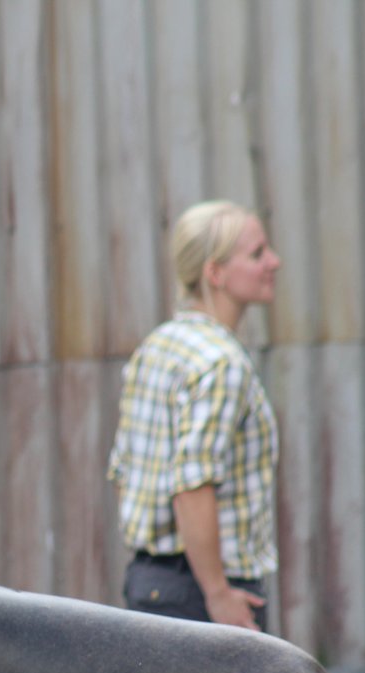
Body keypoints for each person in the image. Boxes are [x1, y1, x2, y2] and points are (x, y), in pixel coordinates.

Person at [108, 199, 282, 633]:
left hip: (150, 584)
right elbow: (192, 485)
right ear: (215, 273)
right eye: (257, 254)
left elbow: (125, 473)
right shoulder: (221, 362)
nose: (273, 262)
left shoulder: (159, 346)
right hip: (203, 595)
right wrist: (219, 595)